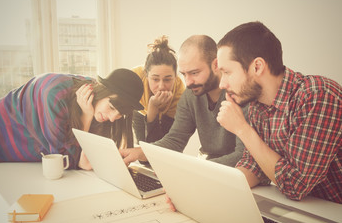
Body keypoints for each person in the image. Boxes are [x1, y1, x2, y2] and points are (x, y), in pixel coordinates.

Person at [216, 21, 341, 203]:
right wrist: (211, 190)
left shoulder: (318, 95)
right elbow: (254, 166)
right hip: (310, 210)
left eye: (227, 72)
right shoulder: (258, 104)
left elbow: (295, 185)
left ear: (257, 67)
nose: (222, 84)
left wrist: (242, 129)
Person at [0, 68, 144, 170]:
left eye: (120, 115)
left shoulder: (98, 109)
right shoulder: (54, 95)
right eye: (112, 108)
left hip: (32, 156)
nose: (113, 118)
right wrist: (85, 117)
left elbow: (85, 159)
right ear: (101, 91)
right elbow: (63, 160)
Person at [120, 35, 246, 167]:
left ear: (216, 65)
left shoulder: (240, 93)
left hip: (237, 174)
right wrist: (140, 152)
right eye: (184, 74)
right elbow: (175, 140)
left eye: (194, 73)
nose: (188, 82)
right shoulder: (190, 95)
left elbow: (243, 155)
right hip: (206, 170)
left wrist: (195, 168)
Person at [132, 35, 185, 143]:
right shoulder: (134, 78)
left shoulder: (179, 93)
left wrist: (153, 107)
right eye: (155, 79)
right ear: (146, 75)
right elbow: (144, 153)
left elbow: (160, 144)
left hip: (167, 114)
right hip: (139, 107)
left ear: (175, 76)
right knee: (142, 152)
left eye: (167, 80)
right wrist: (152, 106)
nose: (161, 86)